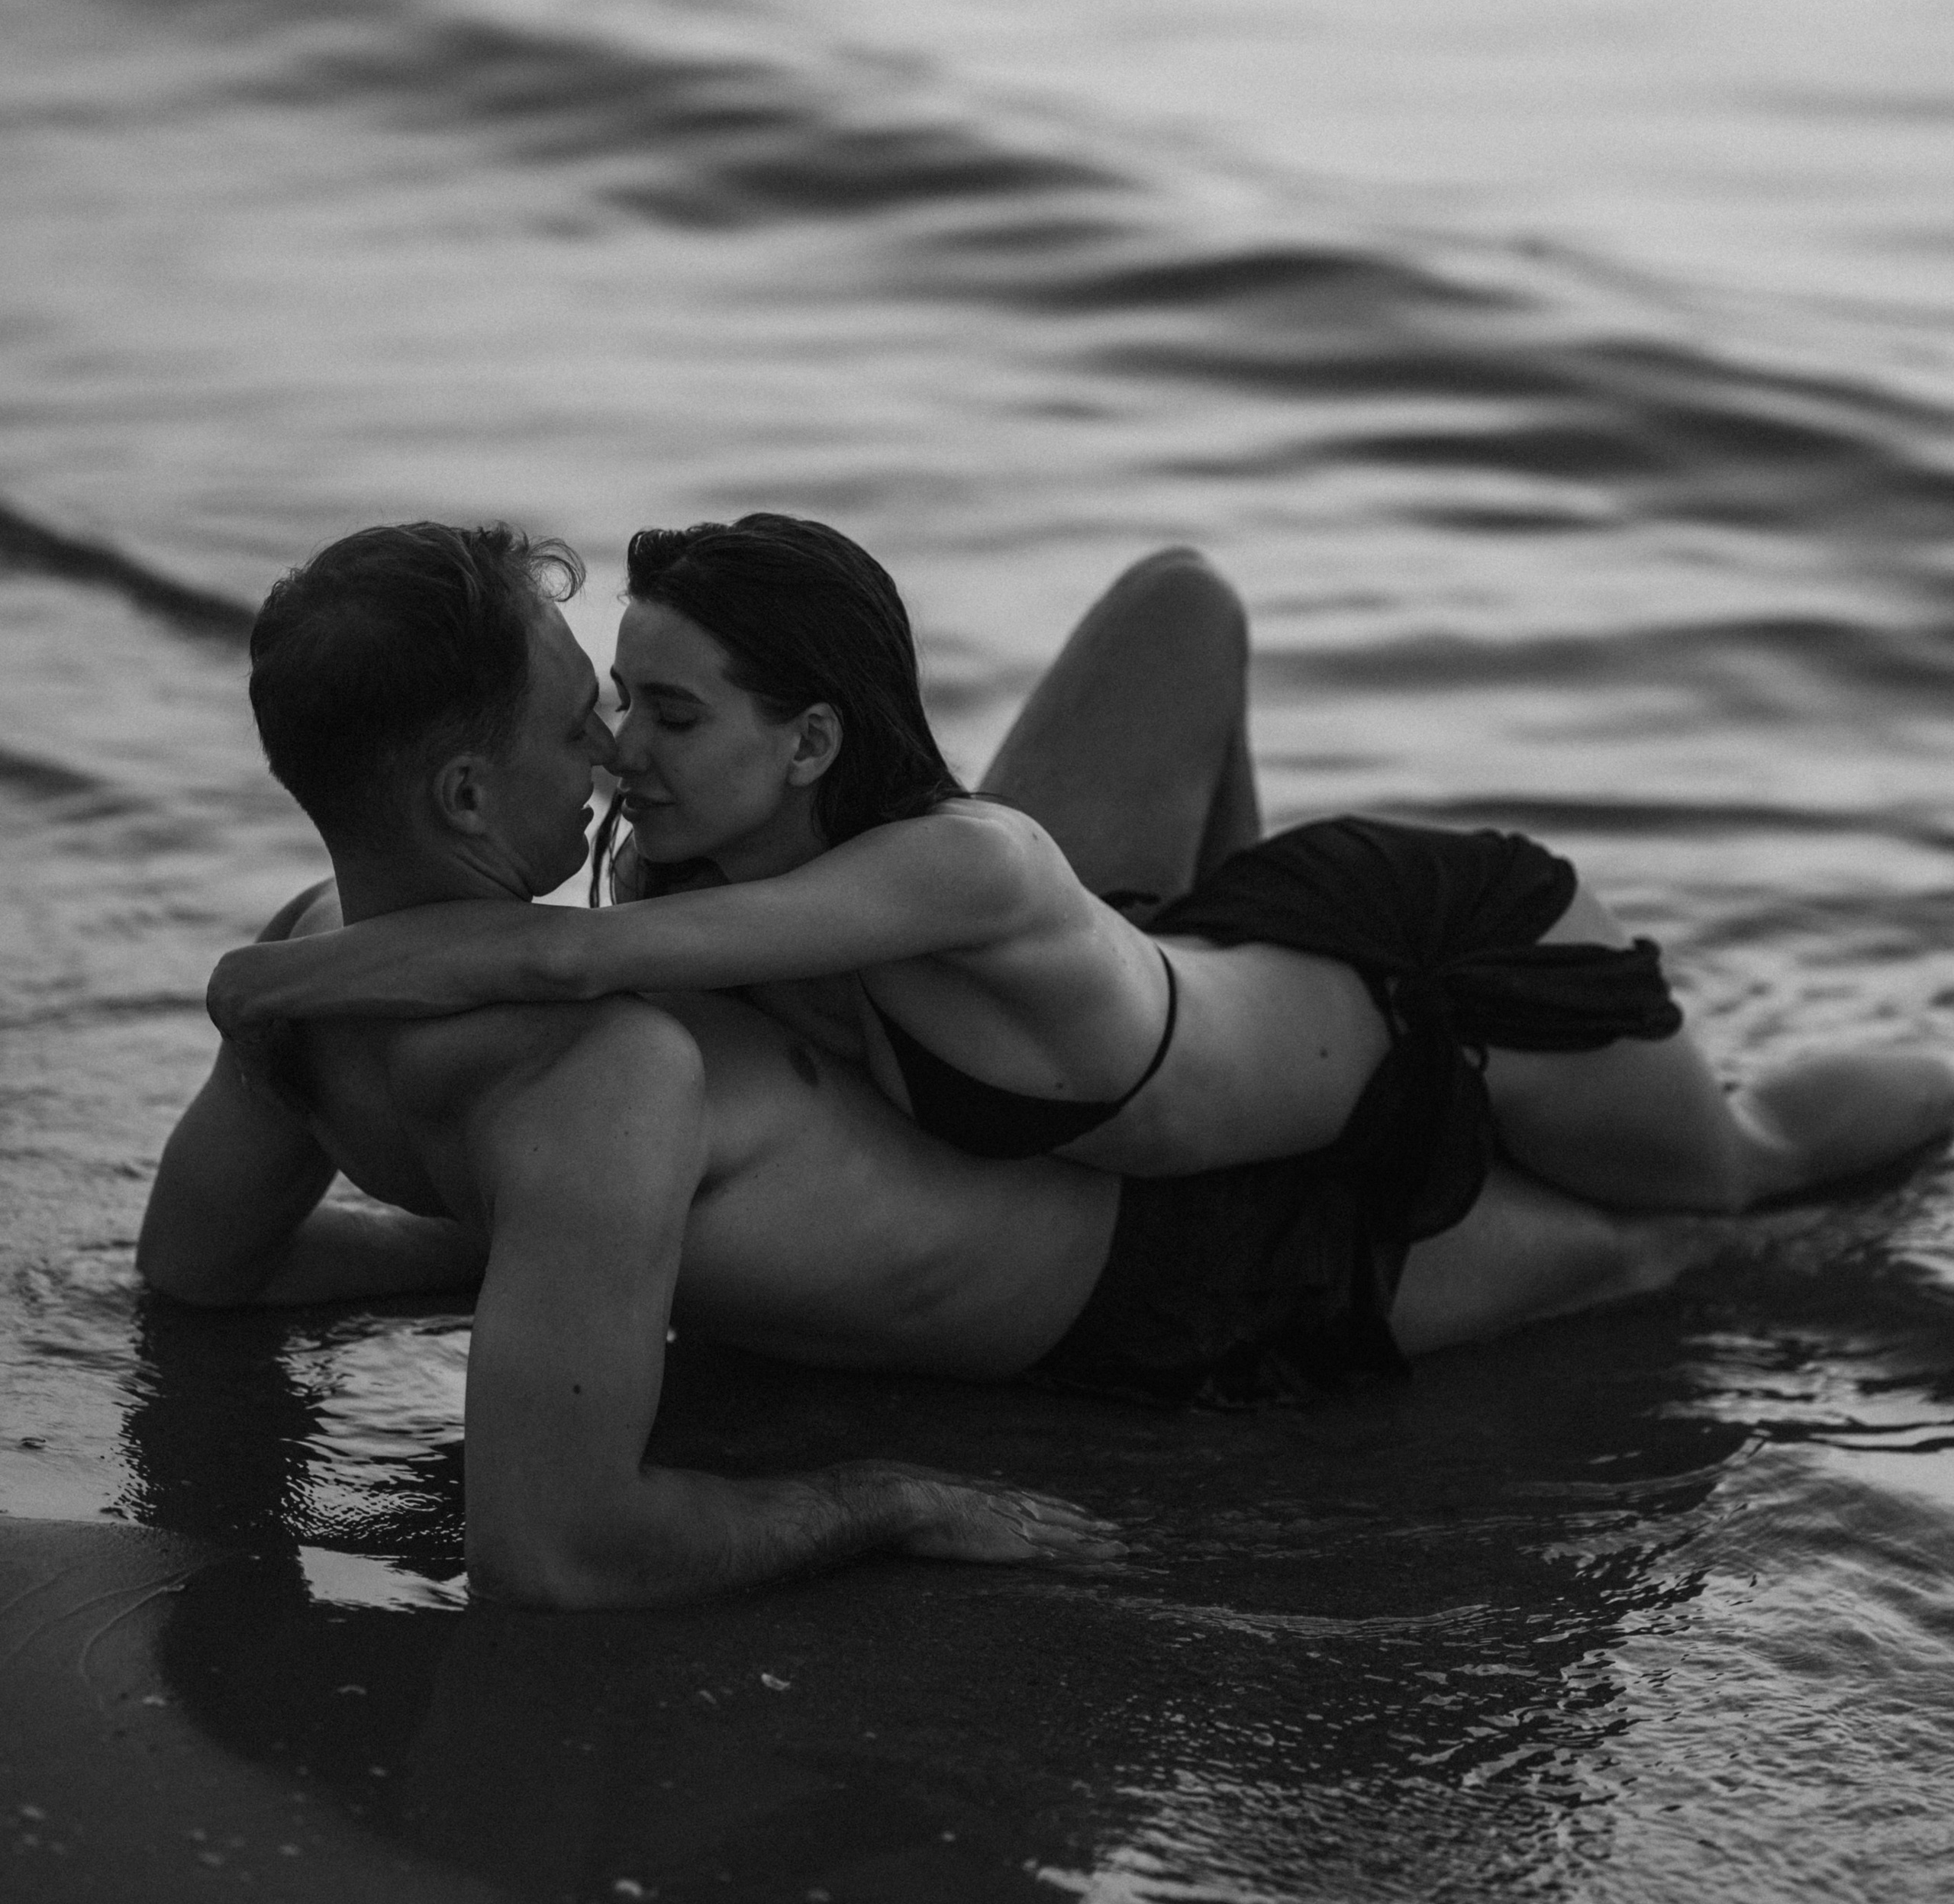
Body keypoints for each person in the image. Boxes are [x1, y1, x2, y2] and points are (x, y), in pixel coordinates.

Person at [142, 519, 1839, 1613]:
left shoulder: (313, 974)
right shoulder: (577, 1091)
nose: (609, 752)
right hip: (1194, 1283)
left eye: (630, 710)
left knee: (1706, 1226)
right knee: (1661, 1248)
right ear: (455, 800)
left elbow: (217, 1268)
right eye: (578, 718)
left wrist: (546, 1248)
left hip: (1207, 1101)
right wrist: (877, 1496)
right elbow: (556, 1550)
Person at [210, 515, 1954, 1258]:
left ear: (811, 742)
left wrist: (262, 990)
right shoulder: (750, 850)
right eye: (614, 706)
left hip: (1450, 963)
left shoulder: (941, 870)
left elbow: (578, 974)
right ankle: (1224, 914)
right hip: (1207, 965)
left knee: (1738, 1178)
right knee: (1181, 610)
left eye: (664, 715)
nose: (618, 755)